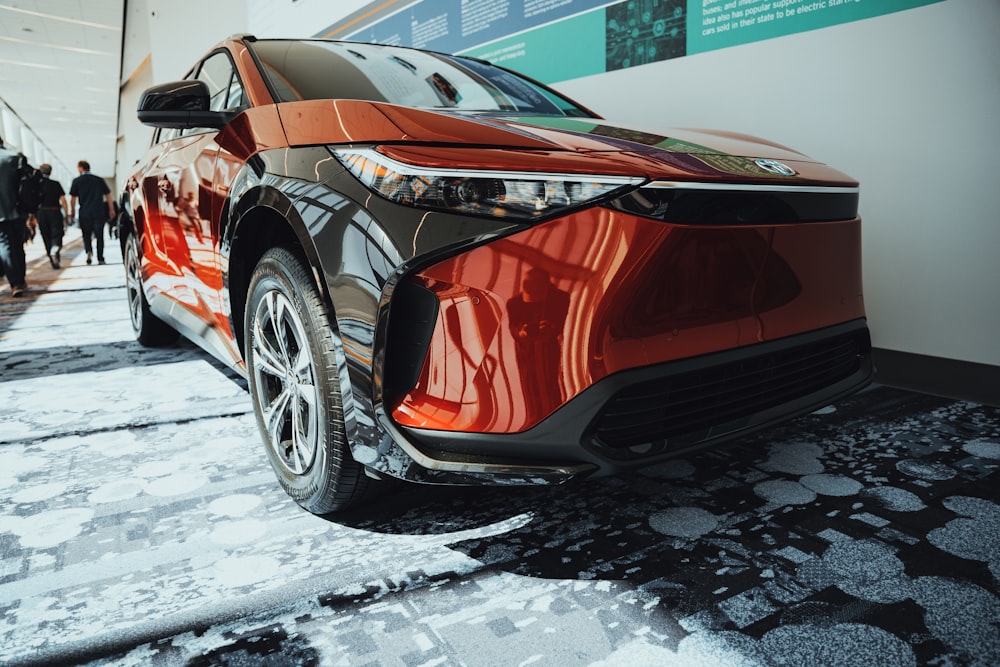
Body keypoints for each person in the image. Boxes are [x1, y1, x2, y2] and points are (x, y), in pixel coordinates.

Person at [69, 159, 114, 265]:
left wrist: (72, 211)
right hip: (98, 211)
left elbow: (73, 198)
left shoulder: (77, 181)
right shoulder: (98, 179)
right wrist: (111, 209)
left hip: (84, 212)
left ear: (80, 168)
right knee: (99, 235)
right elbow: (108, 195)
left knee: (86, 235)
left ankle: (89, 251)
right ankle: (100, 257)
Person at [0, 135, 29, 297]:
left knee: (5, 245)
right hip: (18, 210)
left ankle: (15, 283)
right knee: (18, 244)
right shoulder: (13, 158)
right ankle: (22, 279)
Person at [36, 164, 70, 268]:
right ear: (50, 172)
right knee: (57, 234)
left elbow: (32, 201)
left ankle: (52, 260)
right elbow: (63, 200)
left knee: (46, 236)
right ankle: (55, 249)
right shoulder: (55, 184)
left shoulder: (36, 185)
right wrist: (67, 214)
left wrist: (31, 216)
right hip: (55, 212)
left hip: (41, 212)